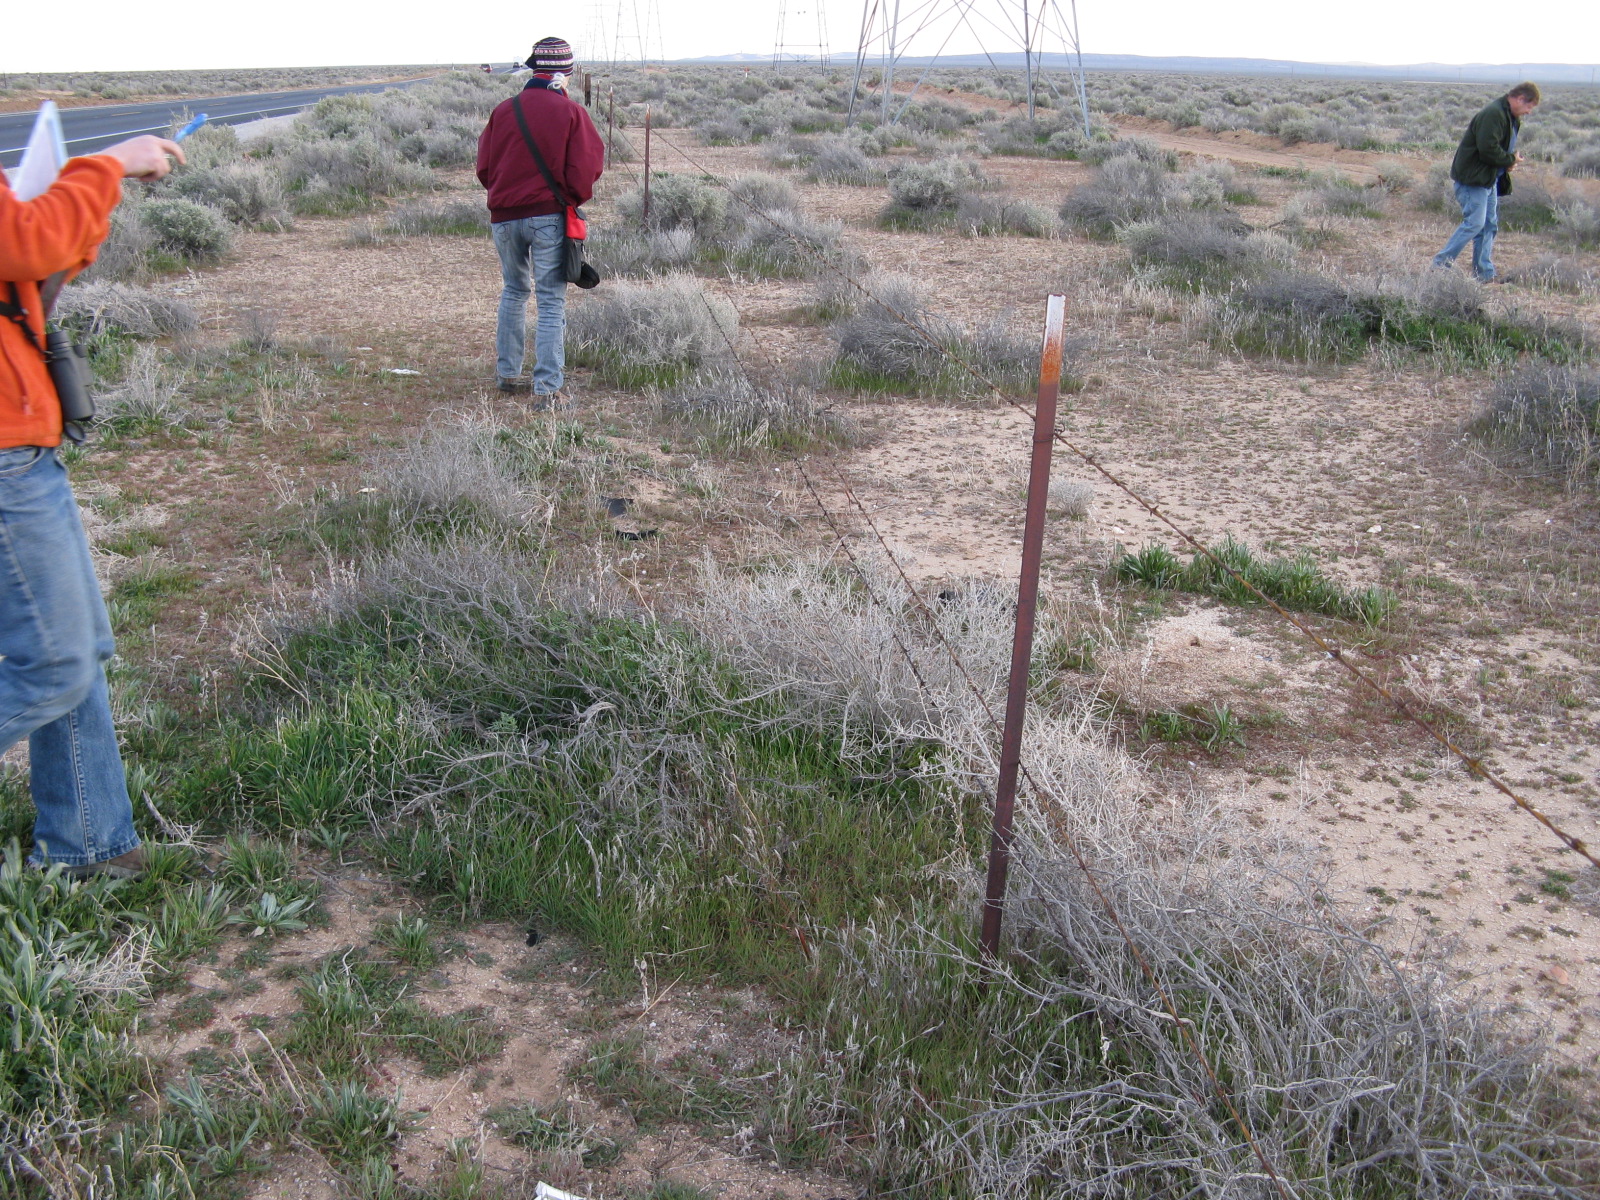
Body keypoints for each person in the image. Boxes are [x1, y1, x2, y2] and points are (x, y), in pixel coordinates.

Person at [1, 131, 185, 879]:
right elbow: (27, 242)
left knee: (82, 650)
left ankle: (90, 846)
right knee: (57, 664)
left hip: (22, 444)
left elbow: (37, 260)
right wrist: (106, 167)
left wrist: (82, 201)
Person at [476, 37, 605, 407]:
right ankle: (547, 388)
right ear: (565, 72)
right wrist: (570, 198)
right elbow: (586, 168)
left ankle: (507, 374)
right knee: (550, 300)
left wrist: (505, 195)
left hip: (504, 217)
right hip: (548, 216)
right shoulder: (570, 112)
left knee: (514, 291)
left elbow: (484, 167)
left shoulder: (504, 110)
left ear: (535, 69)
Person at [1432, 81, 1541, 283]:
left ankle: (1483, 273)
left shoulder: (1509, 116)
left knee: (1488, 225)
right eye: (1529, 106)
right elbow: (1488, 150)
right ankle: (1439, 266)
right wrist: (1510, 160)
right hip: (1473, 180)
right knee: (1474, 224)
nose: (1529, 112)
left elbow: (1498, 149)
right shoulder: (1494, 114)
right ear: (1520, 99)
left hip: (1488, 179)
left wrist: (1507, 163)